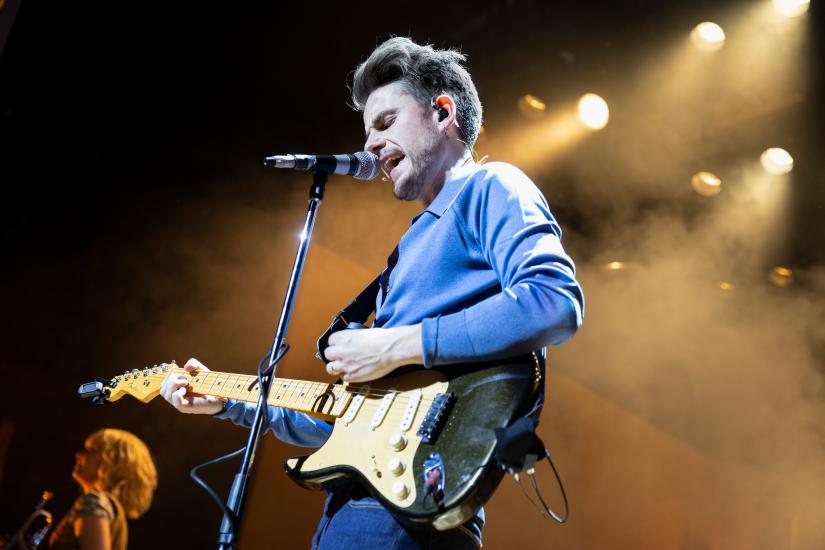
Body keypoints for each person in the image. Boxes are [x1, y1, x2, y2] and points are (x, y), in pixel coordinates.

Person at [160, 37, 584, 549]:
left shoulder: (491, 185)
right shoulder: (409, 246)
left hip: (410, 519)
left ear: (443, 111)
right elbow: (357, 426)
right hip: (361, 512)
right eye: (367, 133)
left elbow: (554, 301)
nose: (370, 147)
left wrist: (395, 345)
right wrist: (230, 402)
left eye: (385, 123)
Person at [48, 429, 158, 550]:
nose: (78, 454)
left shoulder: (95, 502)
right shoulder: (109, 506)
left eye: (91, 450)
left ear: (113, 461)